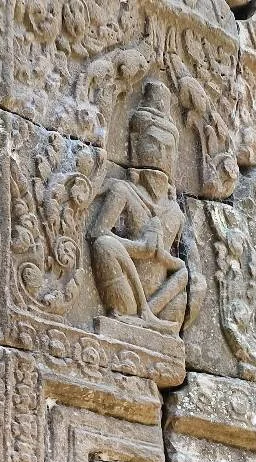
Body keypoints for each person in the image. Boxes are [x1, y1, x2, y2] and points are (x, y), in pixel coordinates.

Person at [90, 79, 188, 331]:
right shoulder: (124, 190)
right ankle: (139, 314)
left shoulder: (175, 211)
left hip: (159, 303)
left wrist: (163, 257)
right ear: (134, 145)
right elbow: (97, 233)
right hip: (126, 296)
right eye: (153, 143)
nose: (162, 154)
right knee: (104, 244)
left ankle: (150, 316)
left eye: (169, 149)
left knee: (185, 272)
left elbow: (181, 268)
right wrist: (141, 248)